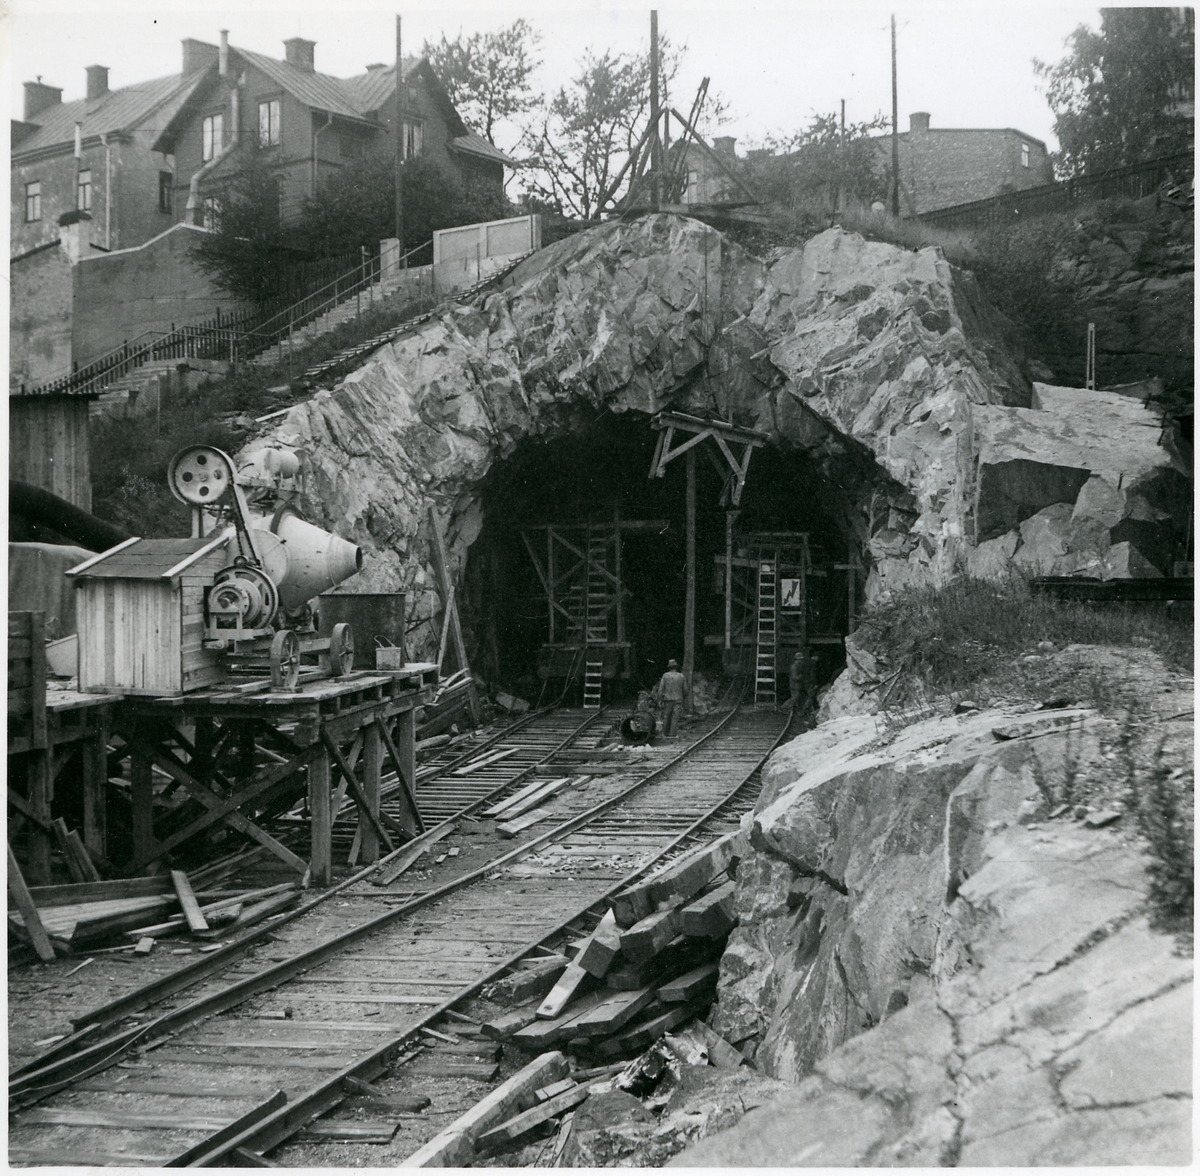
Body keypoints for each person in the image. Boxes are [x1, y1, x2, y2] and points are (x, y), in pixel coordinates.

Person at [654, 658, 688, 737]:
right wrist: (682, 697)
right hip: (678, 700)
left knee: (666, 717)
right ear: (676, 667)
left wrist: (659, 699)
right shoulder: (681, 676)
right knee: (675, 718)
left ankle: (665, 734)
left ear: (669, 667)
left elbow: (661, 689)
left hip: (667, 700)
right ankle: (672, 735)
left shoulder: (665, 676)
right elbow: (686, 690)